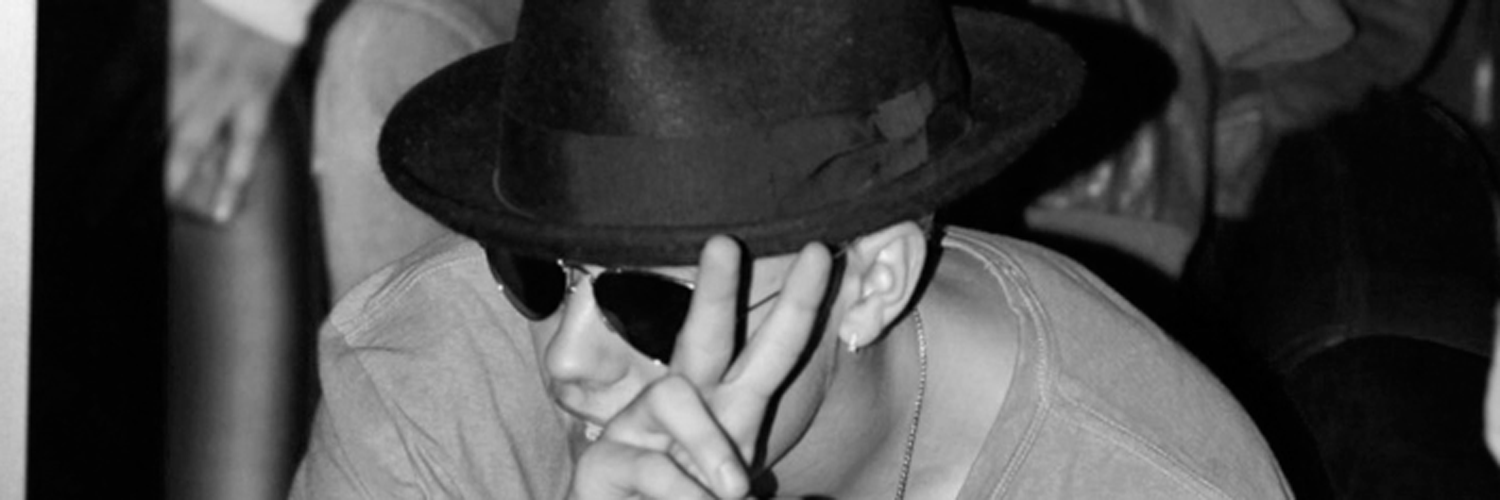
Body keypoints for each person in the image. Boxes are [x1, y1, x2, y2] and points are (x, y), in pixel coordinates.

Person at [289, 0, 1292, 497]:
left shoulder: (1142, 478)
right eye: (536, 269)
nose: (564, 361)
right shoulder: (428, 372)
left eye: (651, 304)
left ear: (874, 280)